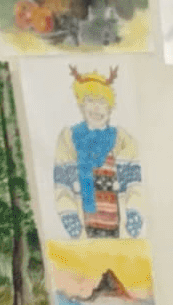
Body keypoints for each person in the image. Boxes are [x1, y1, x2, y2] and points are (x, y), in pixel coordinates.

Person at [54, 67, 143, 239]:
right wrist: (70, 219)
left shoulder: (123, 140)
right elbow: (62, 186)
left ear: (110, 107)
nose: (96, 108)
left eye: (102, 102)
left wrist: (134, 215)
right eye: (90, 101)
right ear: (81, 105)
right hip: (83, 233)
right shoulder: (68, 139)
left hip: (119, 231)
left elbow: (134, 184)